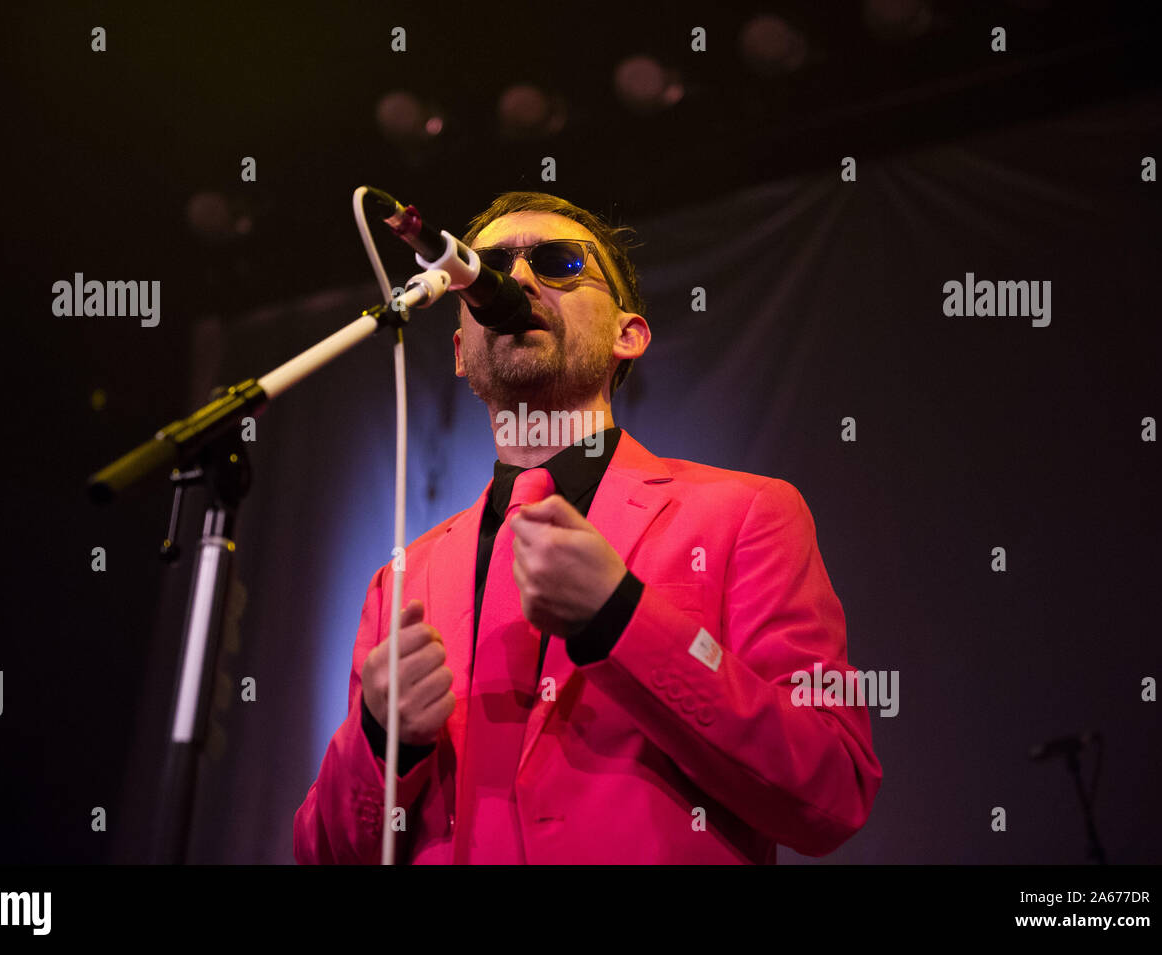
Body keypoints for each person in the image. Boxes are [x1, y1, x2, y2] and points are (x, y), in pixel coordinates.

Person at [294, 191, 882, 864]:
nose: (515, 281)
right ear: (460, 351)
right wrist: (379, 738)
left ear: (627, 333)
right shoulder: (401, 579)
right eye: (484, 267)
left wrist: (624, 619)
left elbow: (834, 788)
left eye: (559, 262)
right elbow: (326, 854)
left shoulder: (748, 514)